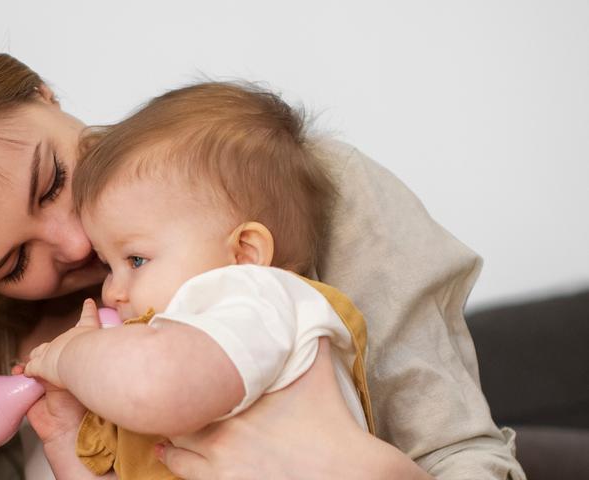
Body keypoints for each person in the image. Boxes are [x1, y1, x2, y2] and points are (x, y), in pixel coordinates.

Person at [0, 33, 524, 479]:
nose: (78, 246)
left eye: (52, 181)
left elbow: (465, 454)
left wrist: (343, 465)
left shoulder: (292, 192)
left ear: (43, 92)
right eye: (12, 265)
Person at [20, 81, 378, 479]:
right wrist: (66, 436)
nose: (111, 292)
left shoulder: (261, 299)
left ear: (244, 254)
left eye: (136, 259)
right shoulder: (174, 361)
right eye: (108, 266)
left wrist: (71, 356)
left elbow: (151, 388)